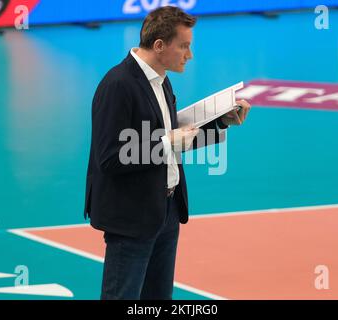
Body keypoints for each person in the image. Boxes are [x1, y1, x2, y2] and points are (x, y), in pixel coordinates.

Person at [84, 5, 250, 300]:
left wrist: (221, 122)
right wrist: (167, 144)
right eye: (184, 46)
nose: (190, 55)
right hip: (132, 218)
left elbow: (174, 137)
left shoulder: (161, 79)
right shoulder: (118, 86)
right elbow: (109, 157)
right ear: (159, 46)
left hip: (166, 212)